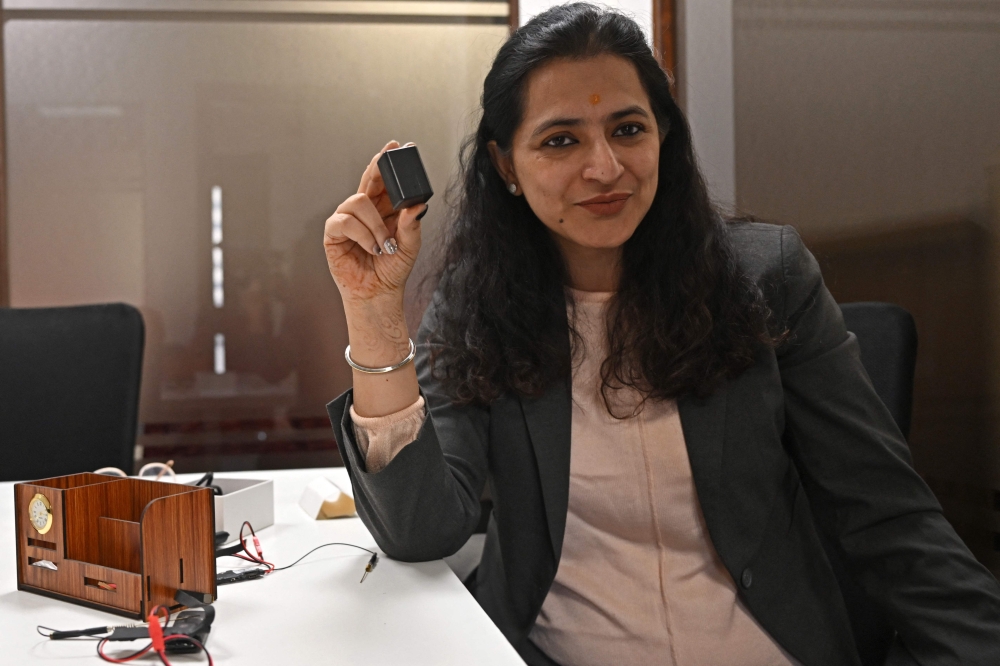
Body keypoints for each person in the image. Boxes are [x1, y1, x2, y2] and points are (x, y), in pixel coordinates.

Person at [322, 4, 1000, 665]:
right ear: (506, 166)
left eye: (627, 129)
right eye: (561, 140)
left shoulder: (766, 278)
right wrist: (375, 315)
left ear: (663, 137)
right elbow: (420, 529)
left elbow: (890, 519)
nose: (605, 167)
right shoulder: (478, 304)